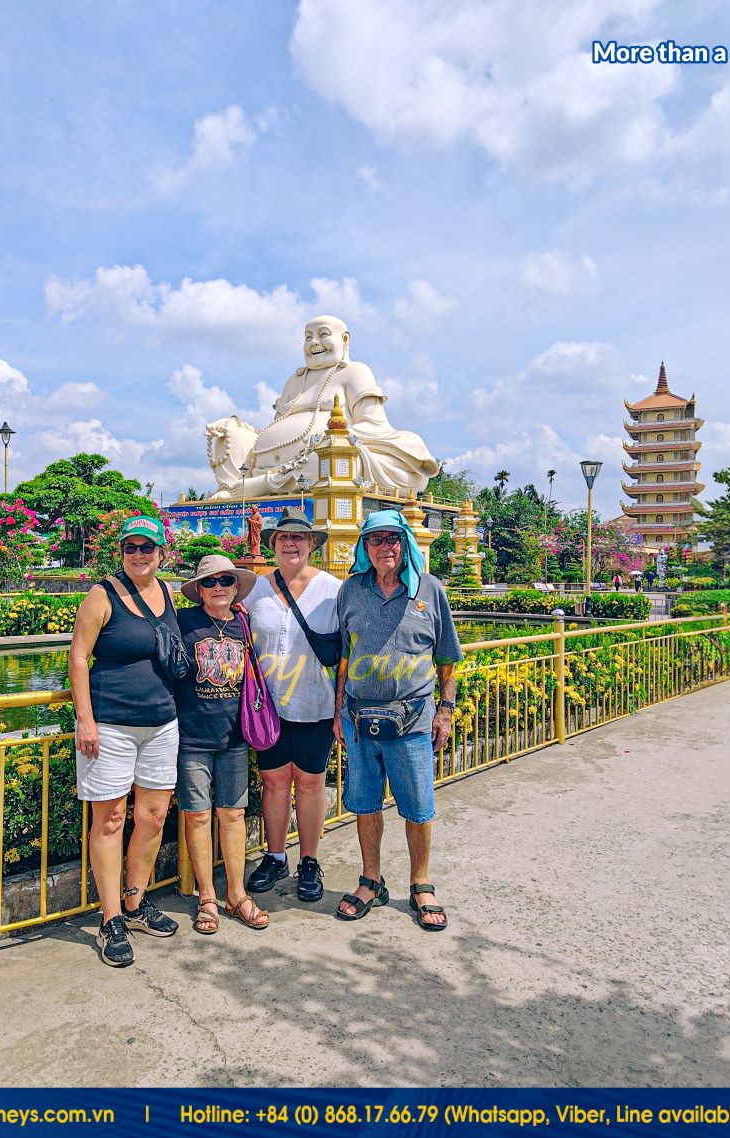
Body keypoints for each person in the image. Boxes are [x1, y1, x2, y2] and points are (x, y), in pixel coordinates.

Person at [333, 509, 464, 931]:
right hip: (359, 718)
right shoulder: (351, 590)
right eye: (375, 540)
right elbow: (343, 654)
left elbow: (447, 657)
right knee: (366, 804)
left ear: (405, 542)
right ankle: (371, 879)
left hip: (412, 718)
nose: (384, 547)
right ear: (364, 547)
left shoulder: (430, 589)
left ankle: (420, 883)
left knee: (418, 807)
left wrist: (444, 711)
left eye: (392, 538)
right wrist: (338, 710)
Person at [68, 515, 180, 967]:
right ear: (121, 552)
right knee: (111, 818)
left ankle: (135, 902)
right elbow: (78, 656)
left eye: (147, 548)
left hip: (162, 723)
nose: (139, 555)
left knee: (152, 817)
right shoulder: (102, 594)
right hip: (111, 724)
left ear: (160, 553)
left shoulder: (167, 591)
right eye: (131, 548)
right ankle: (110, 917)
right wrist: (85, 719)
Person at [205, 315, 438, 498]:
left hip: (317, 460)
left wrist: (325, 439)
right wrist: (236, 425)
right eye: (308, 337)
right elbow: (275, 427)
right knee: (230, 434)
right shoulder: (295, 380)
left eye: (323, 335)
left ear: (345, 340)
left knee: (332, 461)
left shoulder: (354, 372)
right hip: (271, 463)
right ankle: (233, 487)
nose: (314, 343)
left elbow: (374, 425)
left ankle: (257, 486)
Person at [245, 507, 341, 902]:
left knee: (311, 781)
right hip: (268, 708)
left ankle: (309, 859)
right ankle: (275, 854)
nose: (290, 543)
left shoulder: (334, 590)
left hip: (315, 703)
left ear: (312, 545)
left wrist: (342, 707)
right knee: (274, 781)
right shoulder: (255, 591)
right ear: (272, 544)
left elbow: (349, 650)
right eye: (282, 538)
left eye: (298, 538)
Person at [175, 554, 269, 933]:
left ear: (236, 587)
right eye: (210, 582)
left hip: (233, 736)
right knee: (197, 815)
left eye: (225, 581)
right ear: (198, 589)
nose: (218, 588)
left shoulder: (243, 624)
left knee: (232, 814)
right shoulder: (183, 621)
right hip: (192, 736)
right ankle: (207, 896)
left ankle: (236, 894)